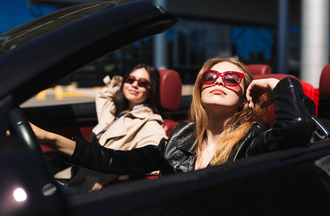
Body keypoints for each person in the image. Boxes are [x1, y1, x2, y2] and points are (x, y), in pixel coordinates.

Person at [32, 57, 315, 177]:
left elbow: (295, 130)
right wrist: (47, 138)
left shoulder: (253, 140)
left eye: (231, 78)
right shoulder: (181, 136)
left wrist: (281, 85)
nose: (219, 82)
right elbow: (116, 161)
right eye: (210, 76)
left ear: (245, 95)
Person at [33, 63, 167, 191]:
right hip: (77, 176)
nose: (134, 85)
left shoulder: (149, 121)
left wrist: (120, 175)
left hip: (92, 187)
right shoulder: (116, 112)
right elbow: (104, 95)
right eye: (130, 79)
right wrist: (121, 83)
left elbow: (159, 156)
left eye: (143, 83)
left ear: (151, 91)